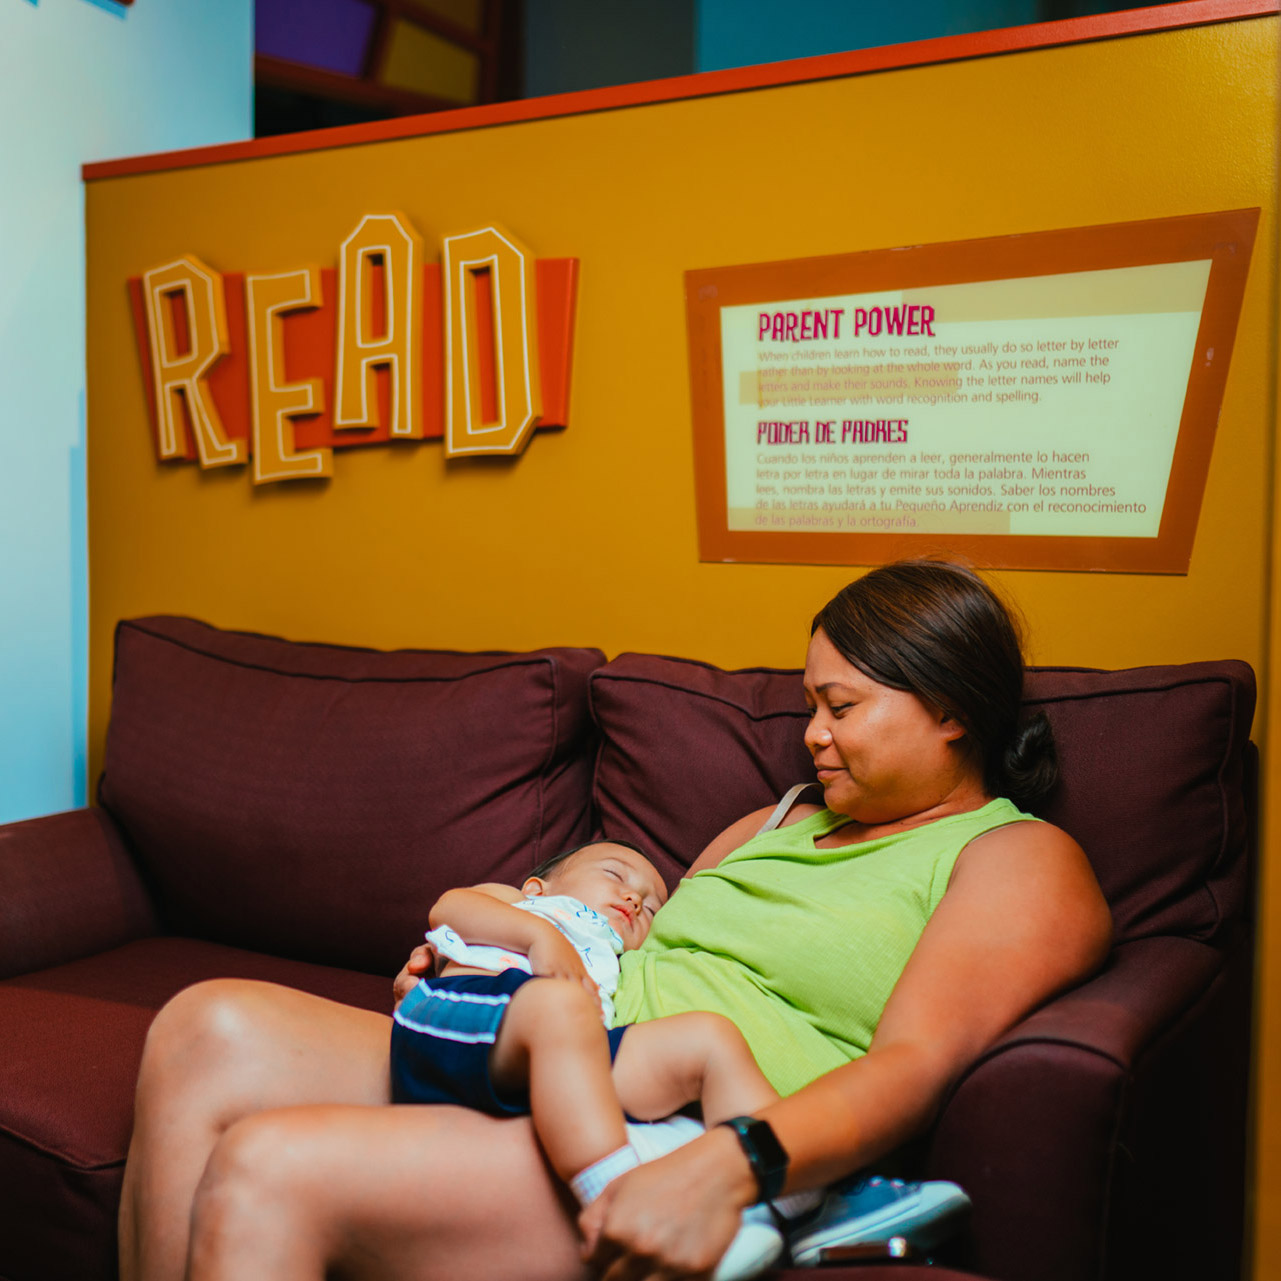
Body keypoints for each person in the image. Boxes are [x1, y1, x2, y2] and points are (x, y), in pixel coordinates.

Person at [119, 559, 1113, 1281]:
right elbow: (627, 946)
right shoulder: (773, 820)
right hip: (565, 1055)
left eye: (842, 707)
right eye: (811, 703)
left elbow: (914, 1067)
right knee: (203, 1025)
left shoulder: (1016, 857)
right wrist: (474, 964)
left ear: (949, 711)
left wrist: (734, 1165)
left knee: (267, 1166)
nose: (812, 733)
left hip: (668, 1125)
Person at [392, 838, 790, 1279]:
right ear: (537, 887)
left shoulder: (619, 961)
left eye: (652, 908)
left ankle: (791, 1190)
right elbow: (450, 907)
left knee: (709, 1037)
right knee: (559, 1008)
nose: (634, 898)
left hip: (564, 1057)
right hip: (473, 1015)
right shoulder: (523, 905)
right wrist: (538, 935)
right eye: (615, 875)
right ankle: (624, 1207)